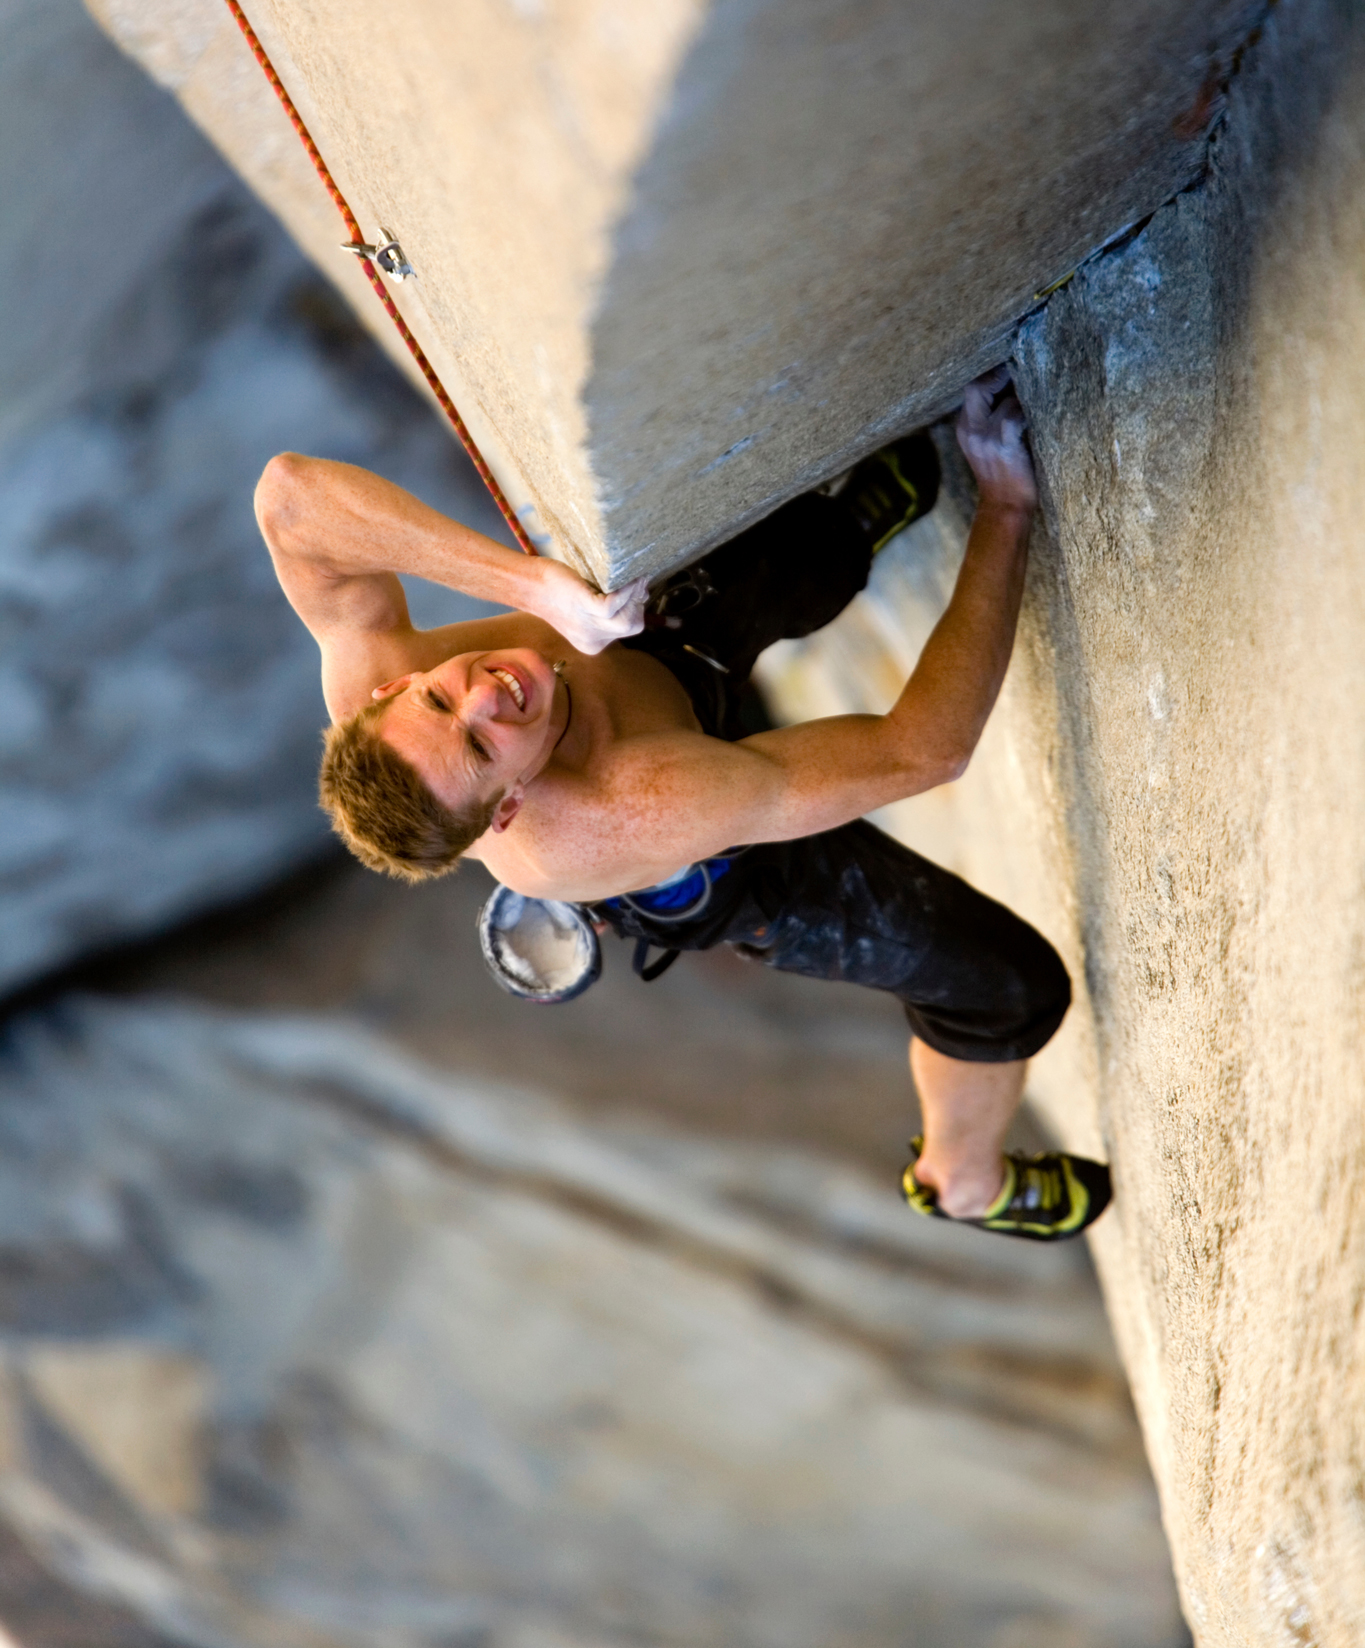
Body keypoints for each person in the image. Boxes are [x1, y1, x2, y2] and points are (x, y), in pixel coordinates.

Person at [254, 367, 1111, 1240]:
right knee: (1007, 988)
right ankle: (963, 1178)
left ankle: (835, 536)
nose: (484, 697)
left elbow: (288, 497)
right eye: (480, 746)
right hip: (714, 857)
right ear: (508, 807)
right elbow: (922, 749)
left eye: (436, 699)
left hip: (648, 665)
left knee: (765, 570)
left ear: (390, 690)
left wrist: (529, 591)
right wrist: (1005, 507)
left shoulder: (372, 687)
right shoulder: (643, 801)